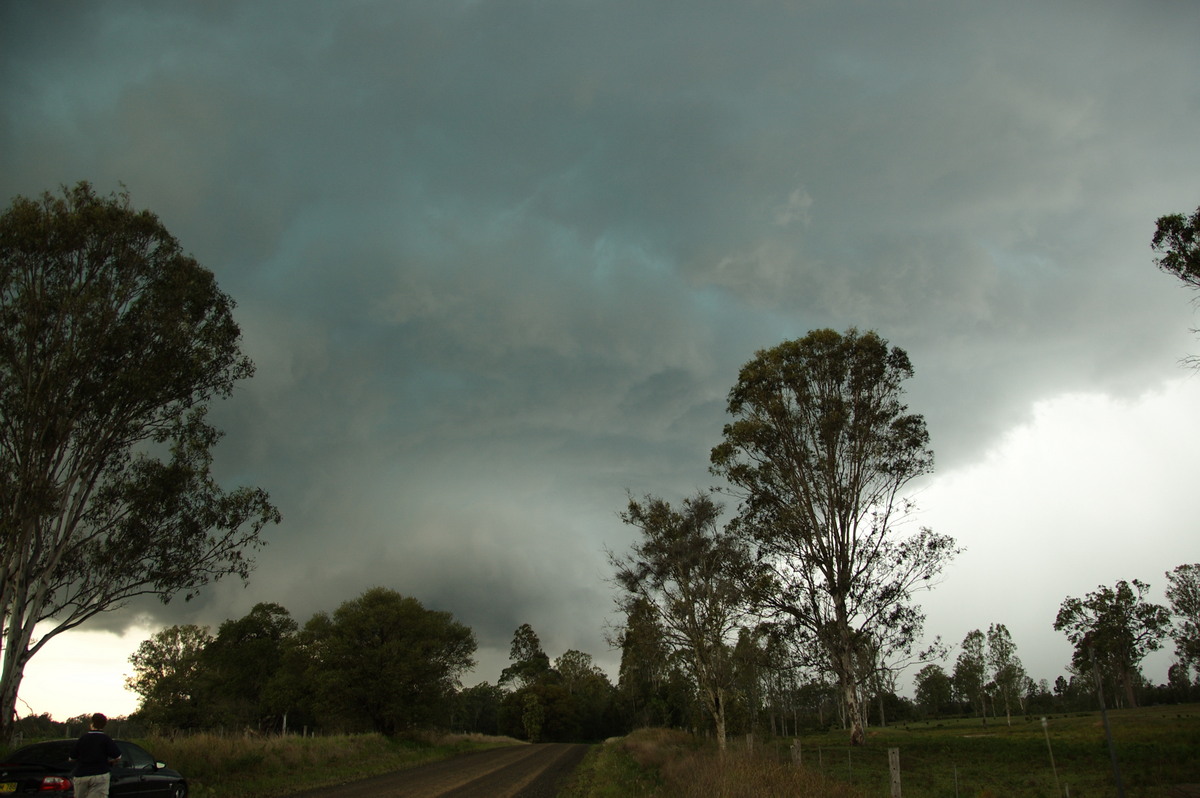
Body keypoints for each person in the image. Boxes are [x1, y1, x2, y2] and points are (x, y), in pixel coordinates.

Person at [70, 712, 122, 798]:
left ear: (92, 723)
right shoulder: (106, 739)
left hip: (81, 774)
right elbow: (118, 756)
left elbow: (72, 758)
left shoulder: (83, 739)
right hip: (100, 774)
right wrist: (109, 762)